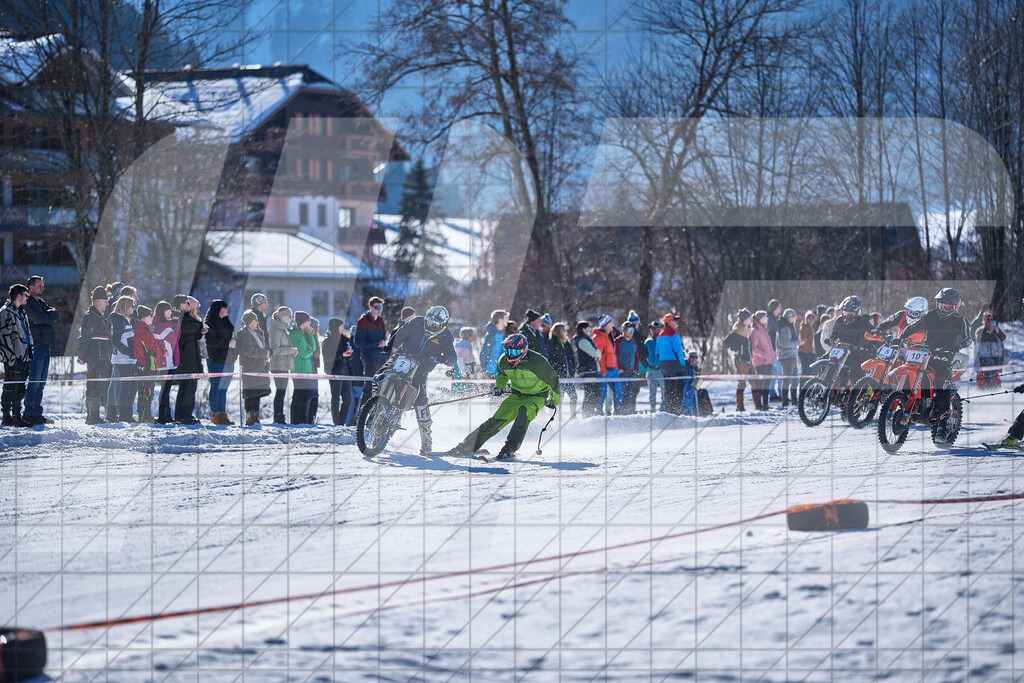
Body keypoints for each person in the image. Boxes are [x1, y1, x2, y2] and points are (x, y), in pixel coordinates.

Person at [446, 333, 560, 460]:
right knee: (496, 421)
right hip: (516, 395)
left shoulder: (537, 362)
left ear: (524, 350)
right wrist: (499, 387)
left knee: (524, 411)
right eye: (508, 351)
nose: (511, 355)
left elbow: (553, 380)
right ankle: (468, 445)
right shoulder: (503, 361)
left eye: (515, 352)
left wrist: (554, 400)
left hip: (537, 396)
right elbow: (502, 375)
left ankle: (510, 446)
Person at [899, 288, 971, 444]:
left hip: (945, 359)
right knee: (910, 373)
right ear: (937, 303)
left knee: (941, 385)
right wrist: (901, 337)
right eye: (941, 305)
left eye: (948, 307)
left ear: (955, 306)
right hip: (926, 355)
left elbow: (968, 338)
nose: (944, 309)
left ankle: (942, 427)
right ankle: (905, 405)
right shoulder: (930, 316)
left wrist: (958, 345)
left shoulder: (960, 321)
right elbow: (913, 327)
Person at [381, 305, 457, 455]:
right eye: (429, 322)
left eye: (435, 324)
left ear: (442, 324)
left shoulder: (446, 337)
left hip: (421, 370)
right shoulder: (416, 322)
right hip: (403, 360)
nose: (431, 325)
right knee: (383, 378)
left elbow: (453, 358)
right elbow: (400, 334)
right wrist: (389, 348)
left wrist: (445, 358)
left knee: (420, 401)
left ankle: (426, 440)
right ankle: (377, 413)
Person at [22, 275, 58, 425]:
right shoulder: (28, 303)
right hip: (35, 346)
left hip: (45, 345)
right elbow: (41, 318)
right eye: (39, 286)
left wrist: (46, 317)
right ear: (31, 288)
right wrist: (46, 318)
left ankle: (37, 413)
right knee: (34, 381)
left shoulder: (42, 303)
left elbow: (53, 315)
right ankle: (29, 413)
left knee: (41, 382)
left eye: (42, 285)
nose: (42, 288)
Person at [77, 286, 112, 425]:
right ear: (97, 301)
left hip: (100, 357)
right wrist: (81, 355)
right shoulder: (91, 317)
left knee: (96, 385)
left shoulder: (98, 316)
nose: (107, 303)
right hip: (96, 358)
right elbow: (84, 337)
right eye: (105, 300)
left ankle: (92, 416)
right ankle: (93, 416)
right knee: (95, 386)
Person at [0, 284, 34, 426]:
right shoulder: (6, 312)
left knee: (20, 388)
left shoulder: (21, 312)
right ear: (18, 296)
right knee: (10, 387)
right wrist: (10, 357)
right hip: (13, 358)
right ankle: (7, 416)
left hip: (23, 356)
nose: (27, 297)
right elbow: (4, 335)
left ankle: (17, 416)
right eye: (25, 295)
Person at [236, 310, 272, 426]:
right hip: (250, 367)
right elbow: (249, 351)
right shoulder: (244, 334)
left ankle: (256, 417)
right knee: (250, 394)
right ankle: (250, 418)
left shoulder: (258, 333)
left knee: (257, 393)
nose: (257, 321)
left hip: (260, 367)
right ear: (249, 322)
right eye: (255, 319)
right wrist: (264, 354)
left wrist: (268, 352)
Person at [204, 300, 237, 426]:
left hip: (228, 359)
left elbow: (233, 337)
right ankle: (215, 414)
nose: (226, 310)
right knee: (216, 386)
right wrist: (226, 344)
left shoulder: (227, 322)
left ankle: (223, 414)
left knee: (224, 388)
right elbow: (211, 342)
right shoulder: (210, 324)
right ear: (218, 309)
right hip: (215, 359)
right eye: (224, 308)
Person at [827, 296, 874, 381]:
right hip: (842, 353)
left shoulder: (863, 323)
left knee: (855, 374)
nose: (847, 317)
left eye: (850, 314)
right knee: (824, 361)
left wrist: (872, 345)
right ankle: (820, 385)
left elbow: (874, 334)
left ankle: (858, 393)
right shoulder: (839, 321)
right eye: (845, 313)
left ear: (857, 312)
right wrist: (831, 339)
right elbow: (835, 334)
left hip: (857, 355)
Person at [173, 296, 204, 425]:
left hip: (193, 358)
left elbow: (197, 330)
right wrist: (199, 328)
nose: (197, 310)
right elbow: (189, 328)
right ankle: (182, 415)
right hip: (186, 359)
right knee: (185, 389)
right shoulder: (182, 317)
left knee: (191, 390)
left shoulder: (192, 319)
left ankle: (187, 414)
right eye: (195, 308)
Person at [354, 296, 388, 407]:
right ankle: (361, 418)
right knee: (369, 389)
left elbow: (383, 339)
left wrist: (384, 345)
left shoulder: (381, 321)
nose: (379, 310)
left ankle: (375, 417)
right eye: (377, 307)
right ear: (370, 307)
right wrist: (376, 344)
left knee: (382, 389)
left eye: (381, 307)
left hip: (381, 358)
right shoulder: (363, 321)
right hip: (369, 358)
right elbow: (358, 342)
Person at [109, 295, 138, 422]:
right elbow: (115, 341)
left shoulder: (130, 319)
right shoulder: (117, 319)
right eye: (132, 306)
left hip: (132, 359)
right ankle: (123, 415)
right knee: (125, 387)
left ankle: (129, 414)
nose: (134, 308)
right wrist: (128, 352)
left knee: (133, 387)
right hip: (121, 359)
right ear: (126, 306)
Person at [133, 305, 163, 423]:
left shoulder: (140, 329)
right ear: (145, 317)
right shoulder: (145, 331)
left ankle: (143, 415)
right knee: (147, 392)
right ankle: (145, 416)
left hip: (143, 365)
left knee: (143, 391)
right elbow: (152, 350)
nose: (152, 318)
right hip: (147, 365)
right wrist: (162, 352)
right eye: (150, 316)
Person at [152, 300, 181, 424]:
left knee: (166, 390)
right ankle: (163, 416)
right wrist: (175, 324)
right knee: (165, 391)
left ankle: (167, 415)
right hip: (165, 362)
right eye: (168, 310)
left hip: (165, 361)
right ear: (163, 311)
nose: (171, 312)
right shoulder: (162, 326)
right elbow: (175, 339)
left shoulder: (160, 324)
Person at [323, 318, 355, 425]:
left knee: (348, 399)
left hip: (346, 372)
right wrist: (341, 355)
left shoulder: (345, 339)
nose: (343, 328)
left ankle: (342, 422)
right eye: (341, 326)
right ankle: (337, 423)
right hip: (335, 372)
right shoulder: (327, 341)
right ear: (335, 327)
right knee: (336, 399)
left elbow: (348, 355)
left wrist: (350, 353)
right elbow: (327, 357)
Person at [268, 307, 297, 424]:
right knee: (280, 392)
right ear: (283, 317)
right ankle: (278, 416)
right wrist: (290, 350)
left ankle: (280, 415)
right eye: (289, 316)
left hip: (284, 365)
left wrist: (291, 352)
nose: (291, 319)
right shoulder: (275, 330)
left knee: (282, 392)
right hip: (278, 365)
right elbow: (275, 350)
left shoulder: (282, 329)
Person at [289, 311, 318, 424]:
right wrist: (309, 350)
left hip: (306, 370)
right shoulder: (294, 334)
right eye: (308, 321)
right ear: (304, 321)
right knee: (298, 396)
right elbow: (304, 353)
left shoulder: (303, 333)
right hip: (298, 370)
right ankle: (295, 420)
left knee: (305, 396)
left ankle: (303, 420)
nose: (310, 323)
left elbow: (313, 347)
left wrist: (310, 334)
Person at [723, 309, 753, 411]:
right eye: (750, 318)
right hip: (740, 360)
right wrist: (735, 350)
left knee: (754, 381)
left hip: (748, 360)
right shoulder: (738, 330)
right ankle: (740, 406)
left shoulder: (746, 329)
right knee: (742, 383)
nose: (751, 319)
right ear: (745, 319)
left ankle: (758, 404)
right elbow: (726, 341)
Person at [656, 313, 687, 414]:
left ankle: (669, 411)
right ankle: (676, 411)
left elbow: (657, 353)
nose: (676, 322)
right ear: (669, 323)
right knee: (679, 388)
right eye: (675, 320)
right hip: (675, 365)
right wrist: (683, 365)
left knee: (669, 389)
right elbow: (678, 351)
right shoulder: (675, 334)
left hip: (664, 366)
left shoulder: (659, 336)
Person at [593, 314, 622, 414]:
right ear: (605, 324)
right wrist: (603, 370)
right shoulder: (598, 337)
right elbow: (598, 356)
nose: (612, 324)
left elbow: (612, 354)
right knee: (602, 394)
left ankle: (618, 411)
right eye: (610, 322)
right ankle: (599, 412)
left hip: (614, 370)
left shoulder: (610, 335)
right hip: (605, 371)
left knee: (619, 392)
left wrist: (616, 367)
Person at [547, 322, 577, 417]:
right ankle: (557, 417)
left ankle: (573, 416)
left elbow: (572, 358)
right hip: (559, 377)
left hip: (568, 376)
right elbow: (551, 360)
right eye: (564, 330)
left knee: (574, 397)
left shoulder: (566, 343)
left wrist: (572, 371)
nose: (566, 332)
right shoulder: (552, 343)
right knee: (559, 398)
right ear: (559, 331)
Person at [749, 310, 776, 411]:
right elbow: (754, 348)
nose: (767, 319)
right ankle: (758, 404)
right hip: (760, 363)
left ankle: (765, 404)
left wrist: (773, 355)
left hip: (769, 361)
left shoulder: (765, 331)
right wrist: (764, 355)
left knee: (767, 384)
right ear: (760, 319)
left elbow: (769, 346)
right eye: (765, 317)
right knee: (760, 384)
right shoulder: (755, 331)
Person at [573, 320, 602, 416]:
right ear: (583, 329)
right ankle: (587, 413)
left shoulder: (585, 339)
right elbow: (594, 353)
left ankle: (589, 412)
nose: (589, 330)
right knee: (591, 393)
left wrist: (597, 354)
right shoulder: (582, 340)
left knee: (595, 392)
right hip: (588, 371)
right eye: (588, 328)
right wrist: (597, 353)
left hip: (592, 370)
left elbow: (597, 354)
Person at [974, 311, 1006, 389]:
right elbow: (979, 339)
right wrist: (990, 331)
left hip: (996, 357)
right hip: (984, 358)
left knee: (995, 377)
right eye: (988, 319)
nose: (990, 321)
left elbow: (1003, 338)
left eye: (992, 319)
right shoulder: (980, 330)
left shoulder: (996, 329)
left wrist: (997, 331)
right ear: (984, 320)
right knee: (986, 378)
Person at [776, 308, 800, 408]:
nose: (795, 319)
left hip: (792, 356)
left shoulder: (790, 326)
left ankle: (794, 400)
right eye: (794, 316)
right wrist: (797, 343)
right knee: (787, 379)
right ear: (789, 317)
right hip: (787, 357)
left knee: (794, 379)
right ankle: (785, 401)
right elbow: (785, 343)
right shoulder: (785, 327)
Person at [615, 322, 641, 414]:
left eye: (633, 330)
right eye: (629, 330)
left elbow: (636, 356)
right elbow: (614, 355)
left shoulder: (634, 342)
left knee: (629, 393)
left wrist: (636, 369)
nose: (631, 332)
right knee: (622, 393)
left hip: (631, 371)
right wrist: (618, 368)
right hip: (621, 371)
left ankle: (626, 413)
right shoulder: (618, 341)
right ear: (623, 330)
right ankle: (619, 412)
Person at [479, 310, 509, 374]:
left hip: (502, 370)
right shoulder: (492, 335)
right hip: (492, 371)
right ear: (500, 320)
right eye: (506, 318)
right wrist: (483, 367)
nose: (508, 320)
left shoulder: (504, 335)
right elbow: (484, 352)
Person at [644, 320, 663, 413]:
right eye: (651, 328)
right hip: (651, 370)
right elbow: (643, 355)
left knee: (664, 392)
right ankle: (652, 411)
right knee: (652, 394)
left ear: (659, 329)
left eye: (655, 328)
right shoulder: (648, 342)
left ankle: (663, 412)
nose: (653, 330)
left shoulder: (662, 340)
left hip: (661, 370)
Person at [766, 299, 782, 401]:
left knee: (774, 372)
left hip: (773, 349)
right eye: (779, 307)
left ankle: (773, 394)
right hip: (772, 349)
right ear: (775, 308)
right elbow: (773, 333)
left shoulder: (773, 318)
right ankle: (777, 394)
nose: (780, 309)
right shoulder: (770, 318)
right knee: (779, 372)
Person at [798, 311, 817, 375]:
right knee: (805, 371)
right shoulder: (804, 327)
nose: (811, 320)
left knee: (810, 371)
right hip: (804, 352)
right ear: (806, 319)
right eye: (809, 318)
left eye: (812, 318)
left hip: (809, 352)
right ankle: (803, 385)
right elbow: (803, 342)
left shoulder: (811, 328)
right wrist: (812, 350)